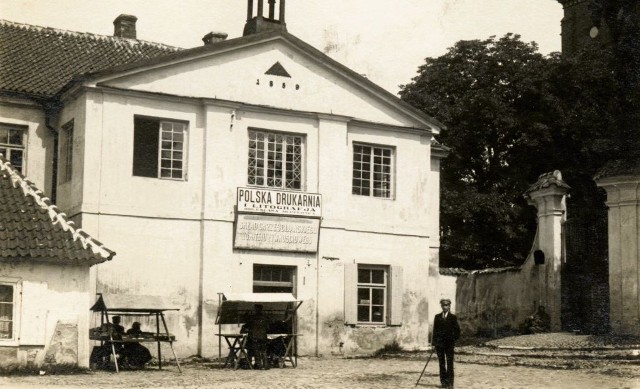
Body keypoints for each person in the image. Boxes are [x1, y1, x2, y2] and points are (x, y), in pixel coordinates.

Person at [432, 298, 461, 388]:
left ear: (449, 306)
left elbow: (457, 331)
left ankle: (450, 384)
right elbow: (435, 331)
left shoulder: (453, 317)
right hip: (439, 345)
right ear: (441, 306)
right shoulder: (437, 317)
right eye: (443, 305)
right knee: (441, 364)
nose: (445, 307)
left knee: (450, 363)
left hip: (449, 345)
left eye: (447, 305)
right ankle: (443, 383)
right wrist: (434, 343)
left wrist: (452, 339)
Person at [244, 304, 270, 369]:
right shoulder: (265, 317)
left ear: (256, 309)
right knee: (264, 351)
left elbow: (247, 326)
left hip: (255, 336)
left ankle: (259, 365)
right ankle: (265, 365)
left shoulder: (252, 317)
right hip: (263, 336)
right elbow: (268, 328)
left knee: (257, 351)